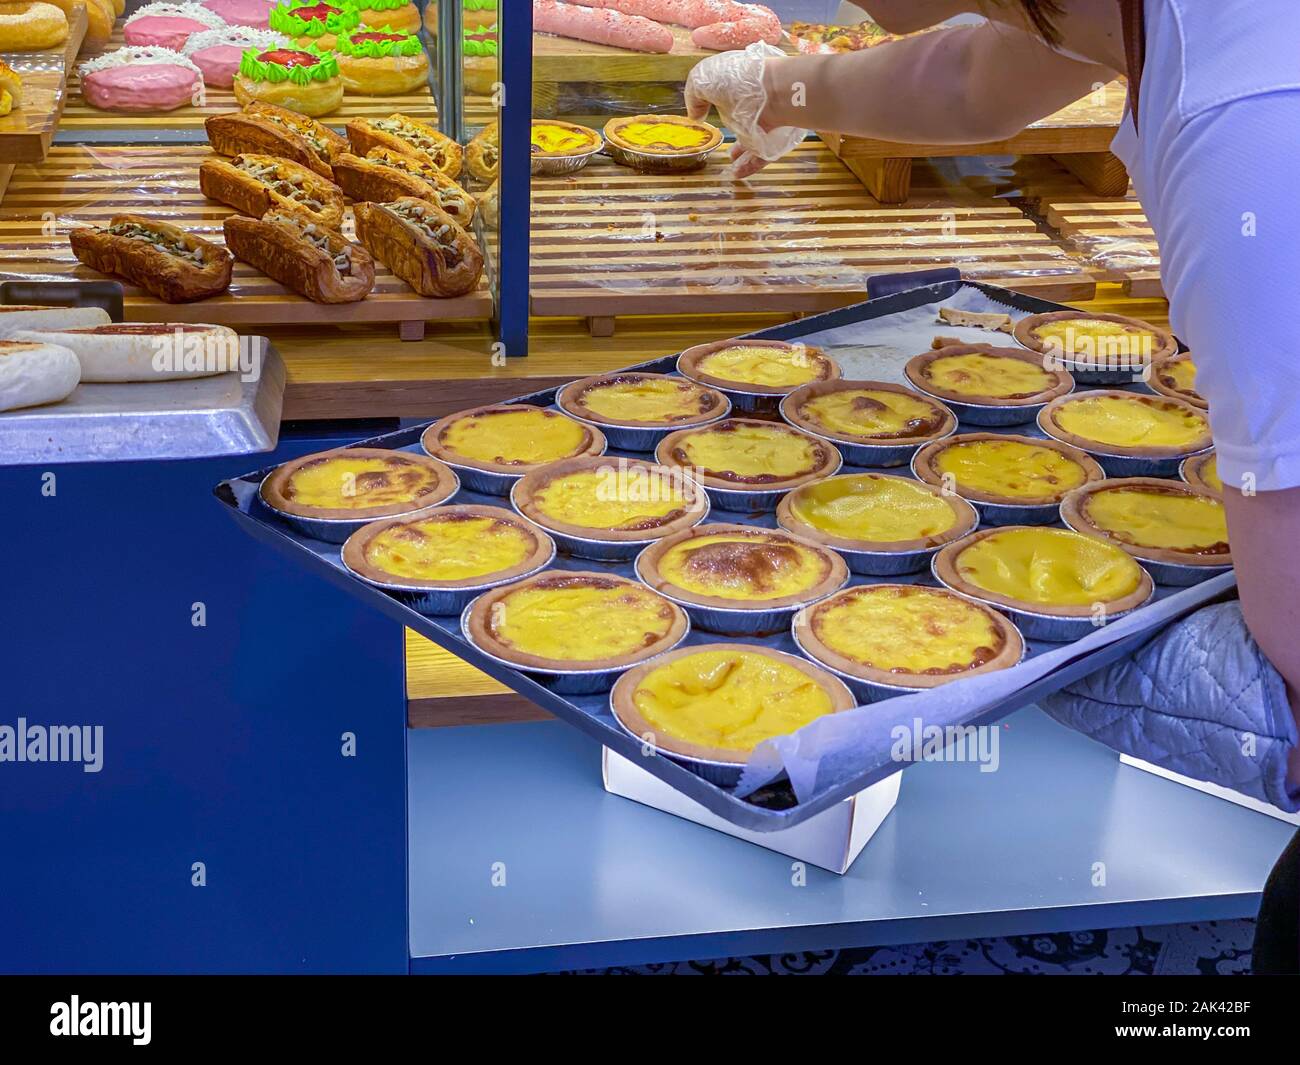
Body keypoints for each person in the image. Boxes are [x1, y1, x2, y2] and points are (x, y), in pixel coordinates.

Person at [687, 0, 1300, 973]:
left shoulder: (1252, 136)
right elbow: (973, 78)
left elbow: (1293, 663)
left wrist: (1002, 632)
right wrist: (783, 86)